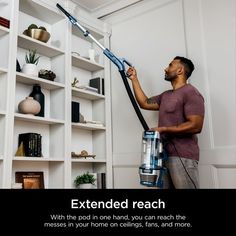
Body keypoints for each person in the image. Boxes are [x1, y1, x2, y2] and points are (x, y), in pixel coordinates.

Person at [126, 56, 205, 189]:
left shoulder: (191, 93)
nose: (166, 69)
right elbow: (144, 103)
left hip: (183, 156)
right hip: (162, 156)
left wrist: (163, 129)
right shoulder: (166, 95)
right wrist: (134, 79)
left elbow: (196, 125)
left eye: (170, 65)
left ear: (180, 70)